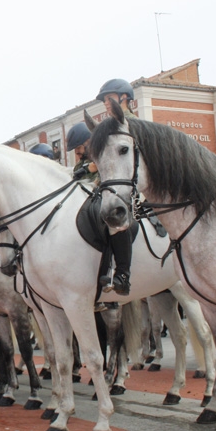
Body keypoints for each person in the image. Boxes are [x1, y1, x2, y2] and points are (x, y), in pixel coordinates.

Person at [92, 79, 137, 296]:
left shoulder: (132, 124)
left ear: (124, 97)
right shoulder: (108, 127)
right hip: (113, 184)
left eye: (109, 98)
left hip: (132, 185)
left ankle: (122, 274)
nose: (106, 103)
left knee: (115, 218)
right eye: (104, 100)